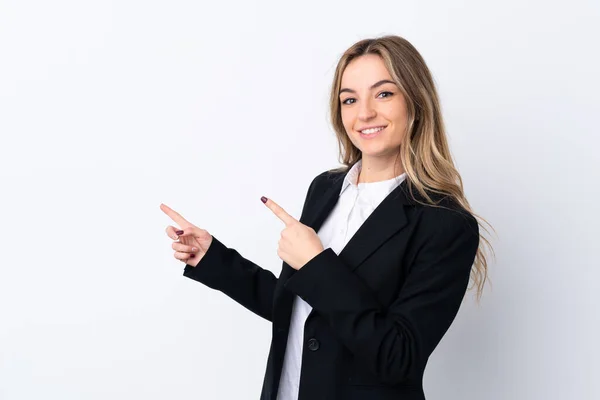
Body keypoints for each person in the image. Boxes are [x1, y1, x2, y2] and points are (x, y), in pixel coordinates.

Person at [160, 35, 494, 400]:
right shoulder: (325, 189)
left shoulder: (445, 223)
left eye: (383, 94)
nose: (363, 113)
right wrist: (214, 259)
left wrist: (317, 264)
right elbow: (302, 309)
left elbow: (399, 357)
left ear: (415, 103)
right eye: (349, 99)